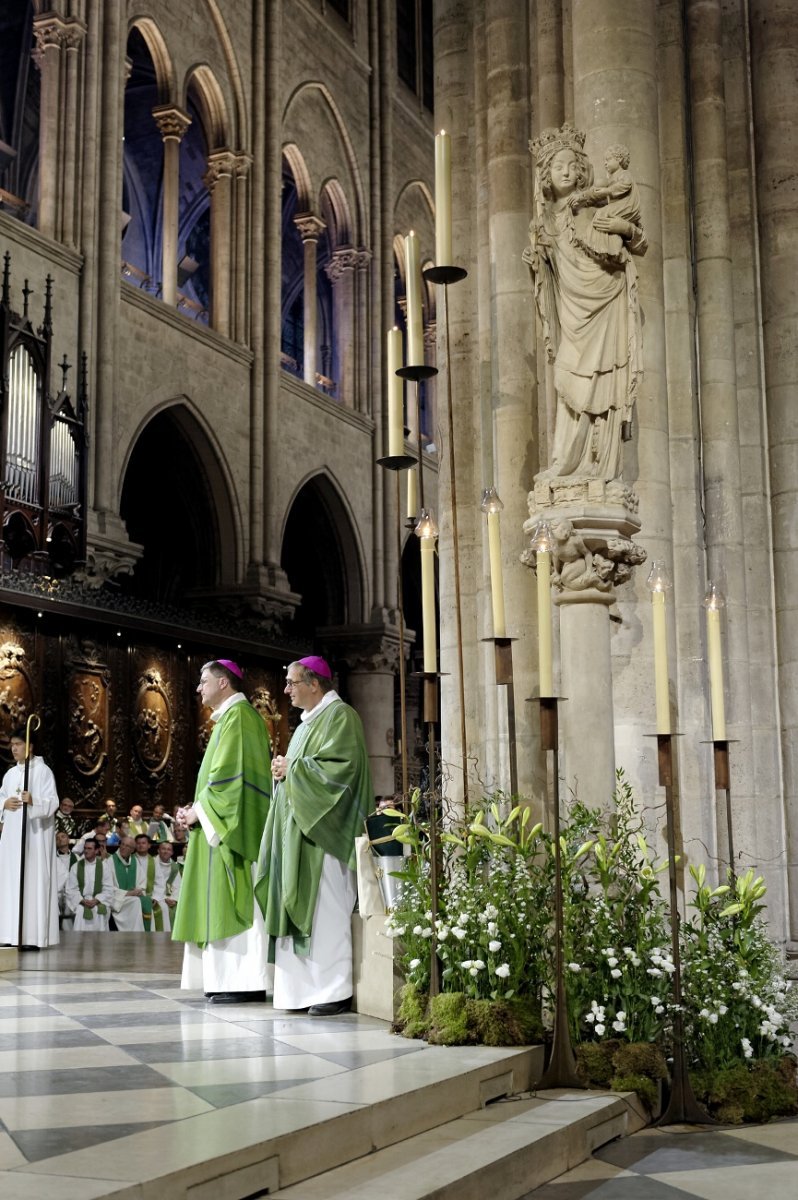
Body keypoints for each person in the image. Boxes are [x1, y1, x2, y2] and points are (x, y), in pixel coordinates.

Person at [524, 123, 647, 481]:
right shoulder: (543, 221)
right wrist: (538, 268)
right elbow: (549, 274)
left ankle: (600, 467)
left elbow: (637, 243)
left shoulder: (594, 205)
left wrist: (625, 232)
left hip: (606, 299)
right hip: (572, 312)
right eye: (557, 166)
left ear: (581, 170)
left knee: (605, 382)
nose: (566, 171)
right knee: (568, 376)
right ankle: (566, 462)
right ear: (547, 176)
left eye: (571, 165)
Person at [255, 656, 372, 1016]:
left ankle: (333, 990)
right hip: (297, 833)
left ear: (315, 683)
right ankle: (299, 992)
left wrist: (295, 768)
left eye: (292, 683)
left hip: (325, 835)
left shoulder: (341, 717)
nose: (286, 690)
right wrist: (283, 770)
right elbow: (300, 770)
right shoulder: (307, 724)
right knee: (297, 903)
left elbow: (343, 770)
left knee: (326, 912)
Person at [172, 658, 272, 1003]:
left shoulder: (240, 719)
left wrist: (198, 812)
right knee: (216, 899)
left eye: (203, 681)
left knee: (232, 898)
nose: (198, 688)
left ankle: (243, 981)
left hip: (232, 831)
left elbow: (232, 784)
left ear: (223, 683)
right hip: (217, 825)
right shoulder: (230, 719)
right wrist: (196, 809)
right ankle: (226, 980)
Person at [0, 727, 60, 949]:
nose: (13, 748)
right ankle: (9, 934)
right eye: (12, 745)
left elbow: (53, 802)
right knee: (10, 882)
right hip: (11, 841)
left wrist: (34, 800)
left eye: (18, 744)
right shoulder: (10, 774)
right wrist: (3, 804)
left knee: (32, 882)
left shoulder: (43, 772)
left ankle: (32, 937)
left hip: (34, 839)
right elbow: (2, 797)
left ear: (30, 746)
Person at [66, 838, 111, 933]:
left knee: (99, 911)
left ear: (97, 850)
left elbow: (108, 888)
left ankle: (100, 943)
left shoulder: (104, 867)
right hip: (81, 901)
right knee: (80, 911)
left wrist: (96, 900)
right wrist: (82, 900)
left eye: (89, 848)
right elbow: (71, 889)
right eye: (85, 848)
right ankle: (79, 942)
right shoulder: (76, 866)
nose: (86, 851)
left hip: (99, 901)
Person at [105, 835, 145, 930]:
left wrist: (139, 890)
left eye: (127, 846)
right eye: (122, 844)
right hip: (116, 899)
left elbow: (142, 881)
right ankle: (135, 933)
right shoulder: (110, 862)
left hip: (130, 897)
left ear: (132, 850)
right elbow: (108, 887)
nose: (123, 847)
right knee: (135, 901)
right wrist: (128, 893)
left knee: (140, 900)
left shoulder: (135, 861)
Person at [152, 841, 181, 931]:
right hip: (156, 896)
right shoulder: (152, 864)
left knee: (180, 909)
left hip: (170, 897)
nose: (166, 851)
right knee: (163, 908)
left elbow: (178, 885)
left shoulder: (174, 867)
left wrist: (174, 899)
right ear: (158, 850)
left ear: (172, 852)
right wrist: (164, 898)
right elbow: (150, 884)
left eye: (169, 849)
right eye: (163, 849)